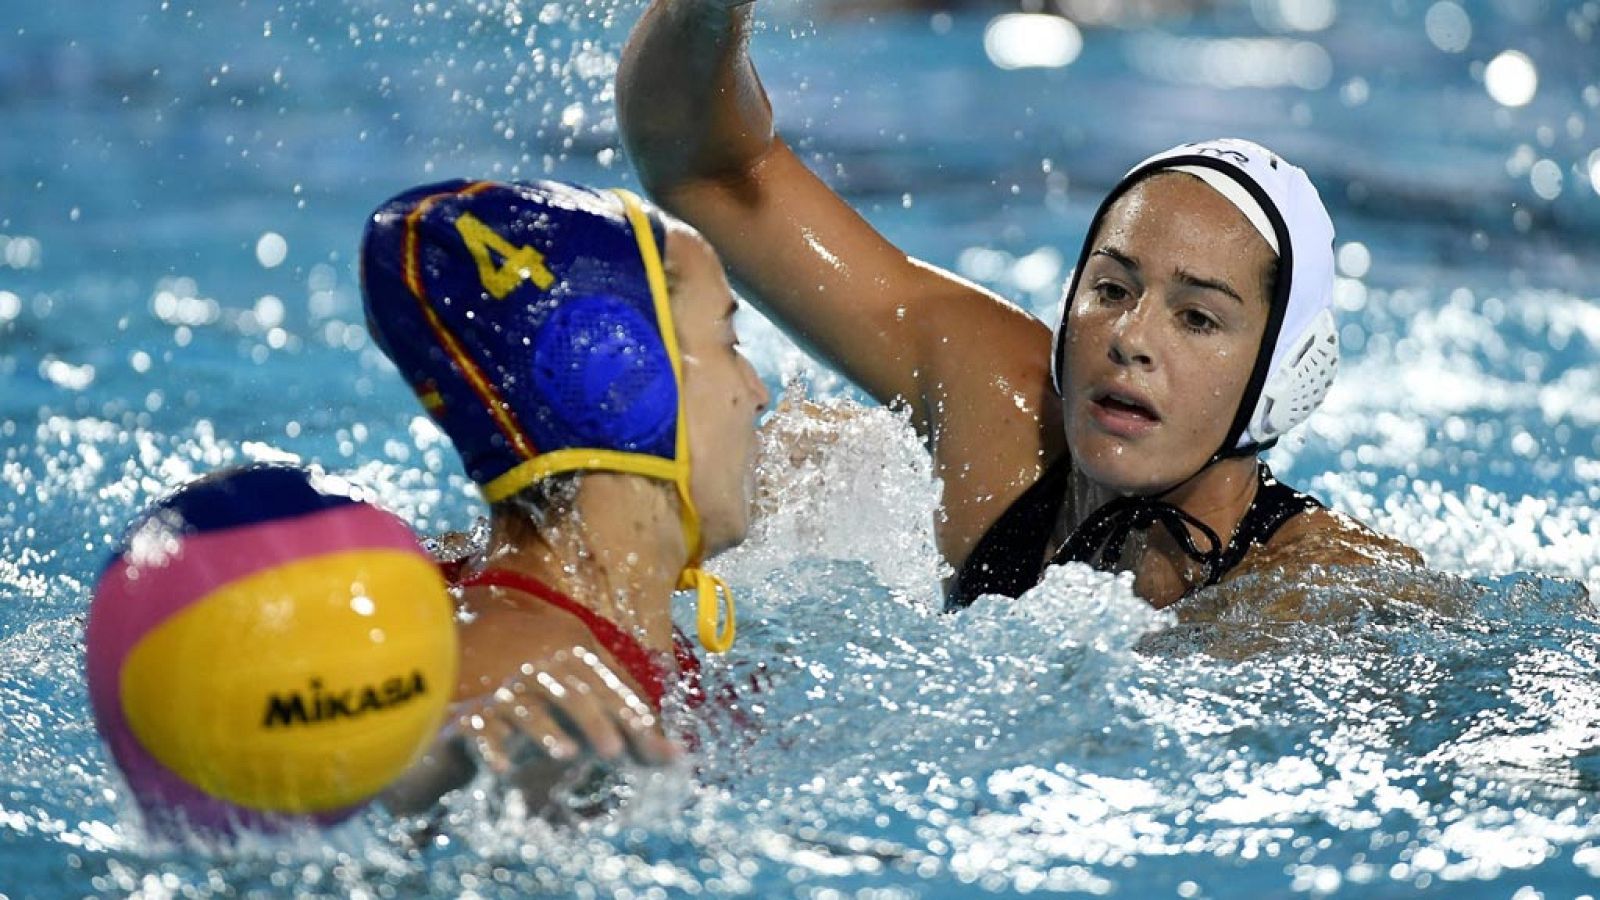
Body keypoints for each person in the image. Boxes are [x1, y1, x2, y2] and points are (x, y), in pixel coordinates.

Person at [615, 0, 1421, 614]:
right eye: (1111, 289)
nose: (1130, 338)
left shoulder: (1316, 588)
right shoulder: (1003, 421)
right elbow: (710, 170)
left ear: (1284, 377)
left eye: (1197, 318)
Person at [358, 179, 770, 814]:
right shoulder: (518, 672)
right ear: (620, 383)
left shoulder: (545, 611)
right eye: (730, 343)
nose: (757, 392)